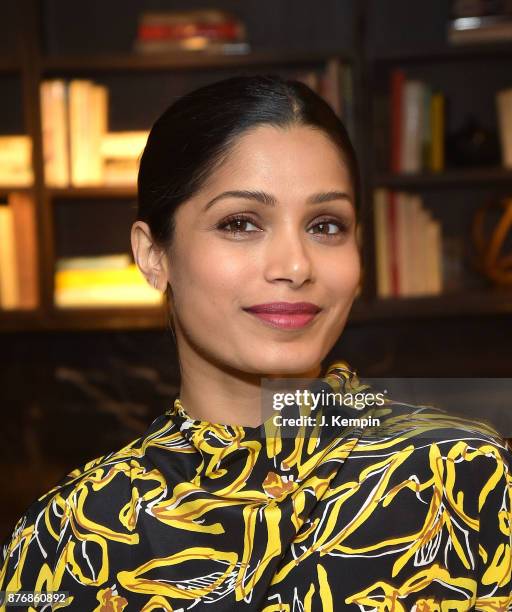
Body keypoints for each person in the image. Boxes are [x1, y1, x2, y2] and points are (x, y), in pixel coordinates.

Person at [1, 74, 511, 611]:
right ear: (154, 256)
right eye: (241, 223)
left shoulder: (462, 472)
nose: (295, 265)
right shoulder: (66, 536)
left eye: (326, 225)